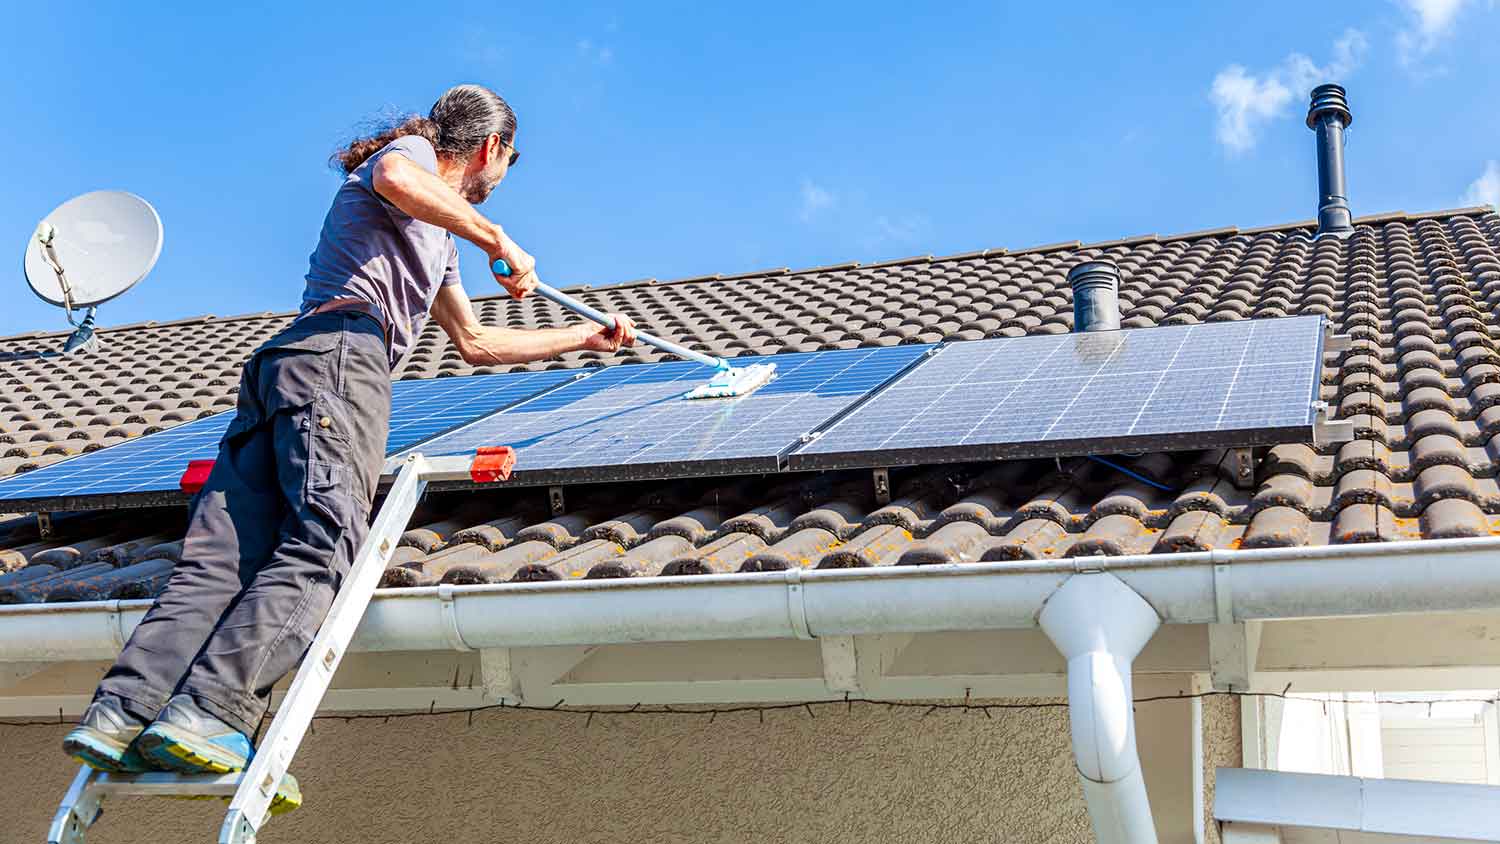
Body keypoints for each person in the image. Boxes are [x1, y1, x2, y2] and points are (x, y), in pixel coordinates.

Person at [61, 84, 636, 811]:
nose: (502, 181)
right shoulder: (413, 159)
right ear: (492, 148)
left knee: (223, 559)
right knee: (327, 538)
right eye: (508, 163)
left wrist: (582, 337)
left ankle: (121, 714)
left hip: (284, 369)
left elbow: (478, 342)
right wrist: (501, 239)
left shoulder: (435, 238)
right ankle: (208, 711)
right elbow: (400, 179)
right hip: (338, 358)